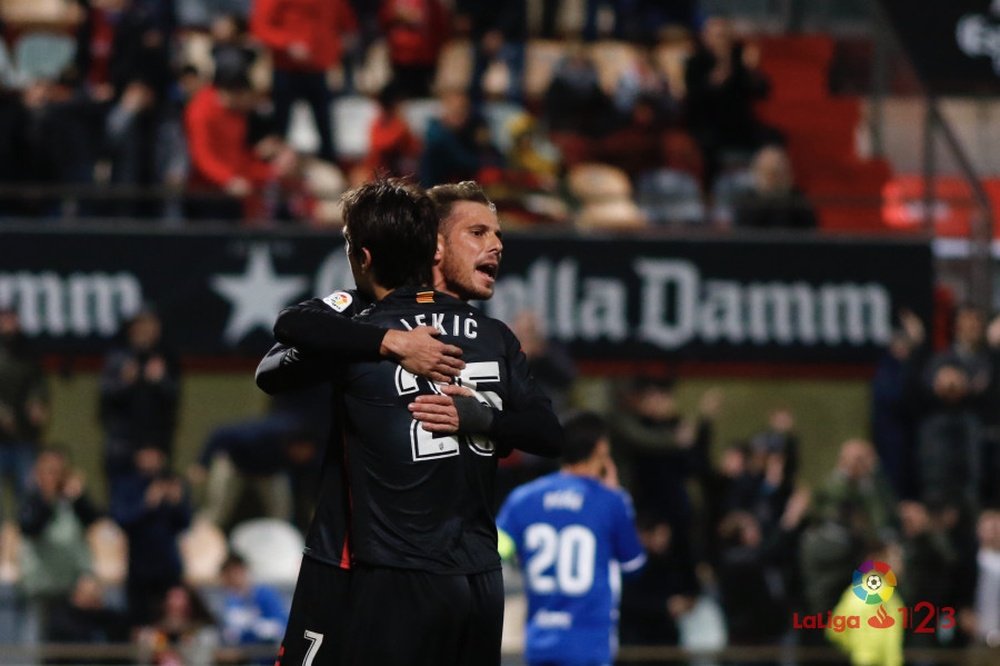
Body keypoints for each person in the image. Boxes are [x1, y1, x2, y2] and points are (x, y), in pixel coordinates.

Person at [257, 179, 562, 666]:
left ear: (363, 255)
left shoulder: (359, 323)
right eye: (479, 232)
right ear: (434, 246)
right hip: (476, 576)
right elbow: (550, 433)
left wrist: (382, 341)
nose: (497, 246)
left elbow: (274, 364)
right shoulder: (493, 336)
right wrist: (484, 415)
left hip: (378, 568)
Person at [497, 412, 646, 666]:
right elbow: (633, 565)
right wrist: (621, 500)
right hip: (589, 644)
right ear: (601, 447)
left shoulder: (523, 499)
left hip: (538, 641)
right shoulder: (611, 501)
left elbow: (497, 549)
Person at [0, 306, 49, 517]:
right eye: (4, 319)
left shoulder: (28, 351)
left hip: (24, 436)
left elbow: (39, 384)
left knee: (28, 494)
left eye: (12, 319)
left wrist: (37, 402)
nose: (9, 324)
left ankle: (23, 546)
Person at [217, 552, 288, 650]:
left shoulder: (266, 594)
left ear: (243, 571)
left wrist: (253, 624)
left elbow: (279, 628)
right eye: (226, 576)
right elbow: (230, 634)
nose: (230, 580)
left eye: (233, 574)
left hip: (268, 655)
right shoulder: (230, 600)